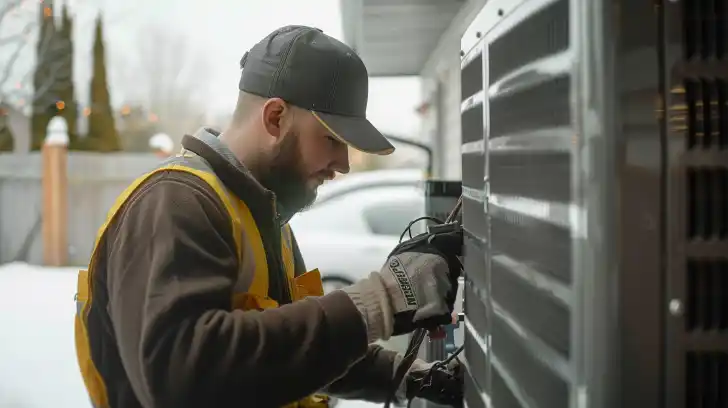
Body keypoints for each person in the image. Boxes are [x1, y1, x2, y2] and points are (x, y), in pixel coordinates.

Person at [74, 25, 463, 408]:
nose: (343, 164)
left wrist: (409, 377)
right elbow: (182, 374)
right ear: (276, 118)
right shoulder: (174, 202)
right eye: (332, 139)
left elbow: (287, 351)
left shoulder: (263, 217)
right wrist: (378, 301)